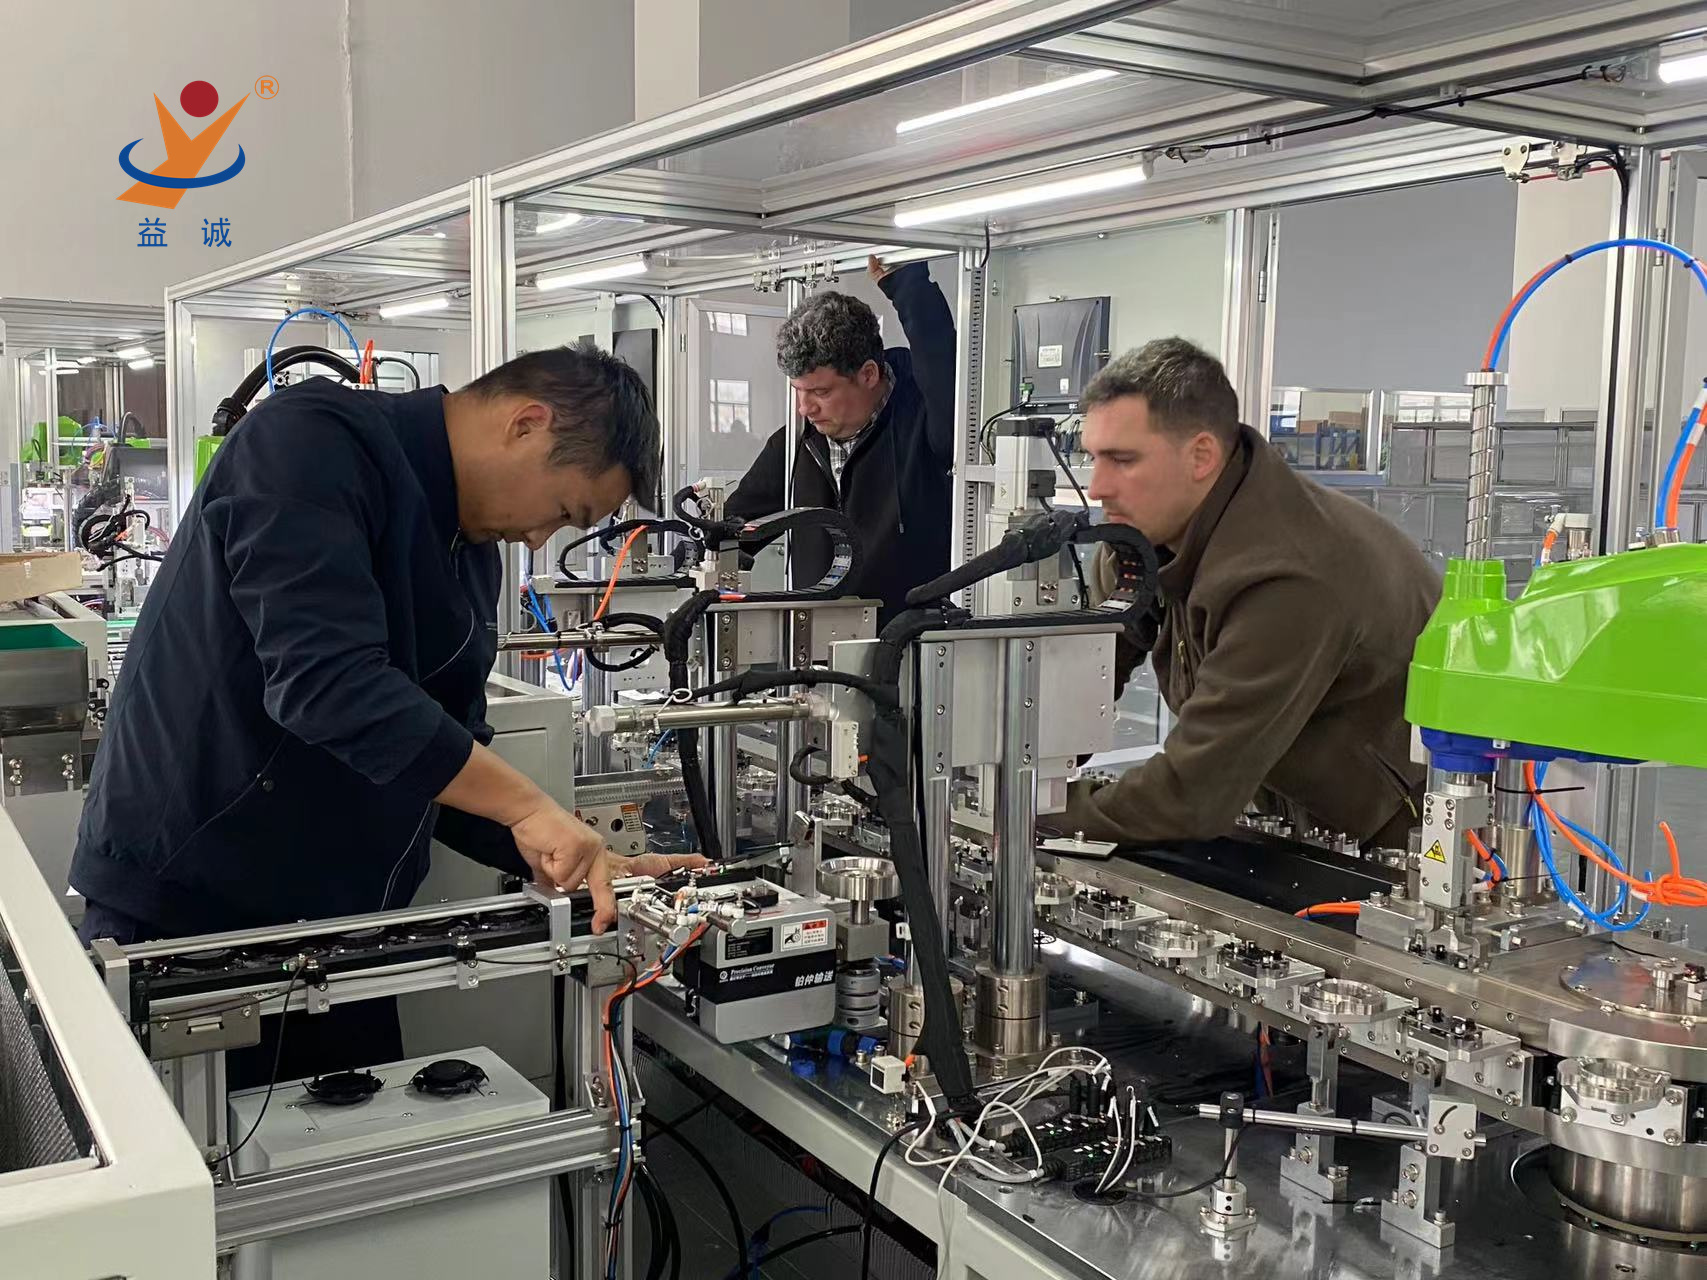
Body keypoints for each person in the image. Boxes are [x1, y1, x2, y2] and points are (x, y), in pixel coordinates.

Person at [70, 347, 701, 1077]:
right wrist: (529, 807)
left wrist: (575, 855)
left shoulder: (468, 551)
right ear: (527, 423)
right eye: (563, 511)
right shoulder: (309, 443)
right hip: (191, 918)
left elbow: (444, 752)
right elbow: (325, 683)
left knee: (360, 1140)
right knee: (188, 1148)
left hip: (340, 933)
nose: (538, 539)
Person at [1063, 338, 1441, 850]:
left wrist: (1038, 813)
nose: (1097, 486)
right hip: (1275, 808)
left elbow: (1190, 797)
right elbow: (1088, 681)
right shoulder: (1141, 539)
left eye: (1122, 460)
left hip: (1392, 837)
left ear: (1201, 455)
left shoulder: (1290, 578)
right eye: (1092, 458)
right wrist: (1014, 772)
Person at [725, 256, 955, 622]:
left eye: (821, 392)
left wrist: (907, 284)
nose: (805, 408)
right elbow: (732, 529)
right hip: (814, 643)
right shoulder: (794, 444)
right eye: (798, 391)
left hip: (911, 644)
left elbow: (944, 364)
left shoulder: (925, 428)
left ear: (868, 374)